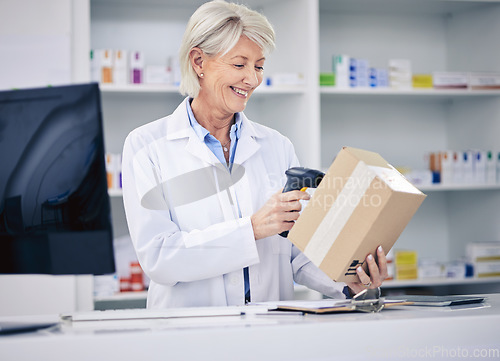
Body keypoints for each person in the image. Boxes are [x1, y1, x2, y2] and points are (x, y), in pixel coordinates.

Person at [122, 0, 387, 309]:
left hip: (270, 329)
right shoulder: (147, 146)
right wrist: (252, 229)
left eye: (259, 66)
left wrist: (346, 279)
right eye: (239, 64)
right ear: (198, 62)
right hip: (191, 335)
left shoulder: (276, 145)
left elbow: (296, 253)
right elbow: (159, 258)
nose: (252, 79)